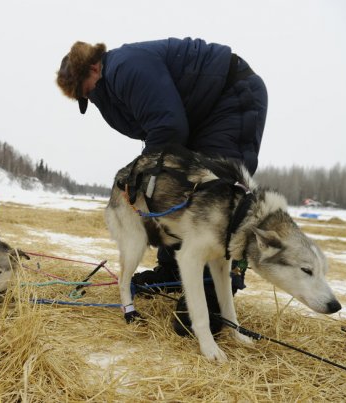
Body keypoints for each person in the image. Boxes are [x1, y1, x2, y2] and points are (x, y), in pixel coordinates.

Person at [56, 37, 268, 335]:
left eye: (88, 90)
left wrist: (142, 172)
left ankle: (214, 290)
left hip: (229, 98)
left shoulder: (125, 68)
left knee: (216, 194)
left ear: (93, 66)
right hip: (198, 115)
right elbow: (160, 126)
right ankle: (172, 269)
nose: (91, 98)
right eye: (84, 97)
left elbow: (168, 127)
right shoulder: (111, 83)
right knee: (174, 192)